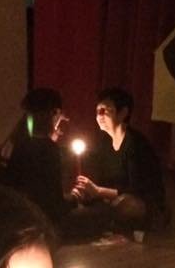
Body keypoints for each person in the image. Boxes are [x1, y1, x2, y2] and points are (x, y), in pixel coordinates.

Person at [71, 87, 167, 233]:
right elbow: (102, 180)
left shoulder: (135, 144)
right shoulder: (103, 143)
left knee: (125, 204)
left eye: (105, 110)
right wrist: (89, 189)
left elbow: (137, 189)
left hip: (142, 201)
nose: (100, 116)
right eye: (98, 111)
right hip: (111, 198)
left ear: (123, 113)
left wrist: (98, 191)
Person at [0, 88, 71, 225]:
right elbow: (52, 204)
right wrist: (76, 197)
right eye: (60, 116)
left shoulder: (12, 141)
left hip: (8, 215)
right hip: (34, 221)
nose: (59, 122)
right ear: (53, 113)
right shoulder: (46, 149)